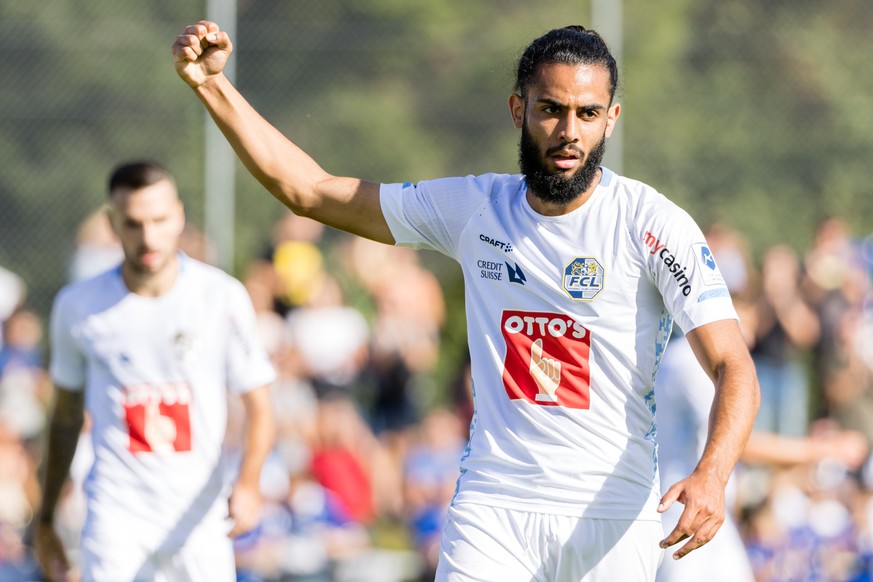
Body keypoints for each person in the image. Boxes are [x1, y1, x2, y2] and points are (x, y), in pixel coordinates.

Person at [172, 22, 760, 581]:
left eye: (587, 114)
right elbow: (309, 190)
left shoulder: (652, 225)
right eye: (550, 109)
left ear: (611, 120)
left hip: (611, 513)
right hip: (493, 504)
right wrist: (211, 84)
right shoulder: (474, 209)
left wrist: (712, 475)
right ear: (518, 110)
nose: (568, 132)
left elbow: (734, 366)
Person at [35, 161, 277, 582]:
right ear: (113, 224)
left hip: (200, 520)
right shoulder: (78, 307)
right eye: (133, 223)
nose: (148, 237)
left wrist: (250, 482)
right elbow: (65, 417)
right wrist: (47, 516)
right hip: (116, 517)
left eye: (159, 220)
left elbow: (260, 404)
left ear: (179, 216)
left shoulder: (221, 297)